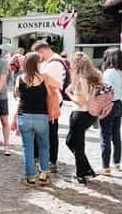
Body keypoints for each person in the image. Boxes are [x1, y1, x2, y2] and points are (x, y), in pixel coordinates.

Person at [15, 52, 60, 187]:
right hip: (41, 117)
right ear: (36, 64)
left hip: (24, 117)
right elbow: (58, 85)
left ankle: (30, 178)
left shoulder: (20, 78)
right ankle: (43, 175)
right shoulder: (44, 77)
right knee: (44, 146)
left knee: (27, 148)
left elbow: (17, 94)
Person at [65, 52, 100, 184]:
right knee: (71, 142)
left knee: (77, 145)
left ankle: (81, 174)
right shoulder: (94, 76)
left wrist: (69, 94)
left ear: (75, 64)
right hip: (90, 114)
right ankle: (87, 169)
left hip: (79, 113)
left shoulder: (80, 79)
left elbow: (80, 101)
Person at [35, 40, 67, 173]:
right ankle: (46, 159)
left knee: (51, 132)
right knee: (46, 131)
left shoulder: (54, 63)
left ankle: (52, 160)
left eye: (38, 54)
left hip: (52, 100)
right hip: (48, 100)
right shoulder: (50, 62)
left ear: (42, 51)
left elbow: (53, 84)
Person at [100, 48, 122, 174]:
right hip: (119, 104)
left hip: (109, 104)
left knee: (105, 136)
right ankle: (116, 163)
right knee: (116, 135)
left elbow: (105, 91)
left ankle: (105, 166)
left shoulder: (109, 72)